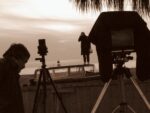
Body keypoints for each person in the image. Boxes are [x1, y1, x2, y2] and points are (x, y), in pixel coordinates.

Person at [0, 43, 30, 113]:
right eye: (24, 62)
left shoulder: (11, 71)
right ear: (16, 58)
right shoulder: (3, 68)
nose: (24, 66)